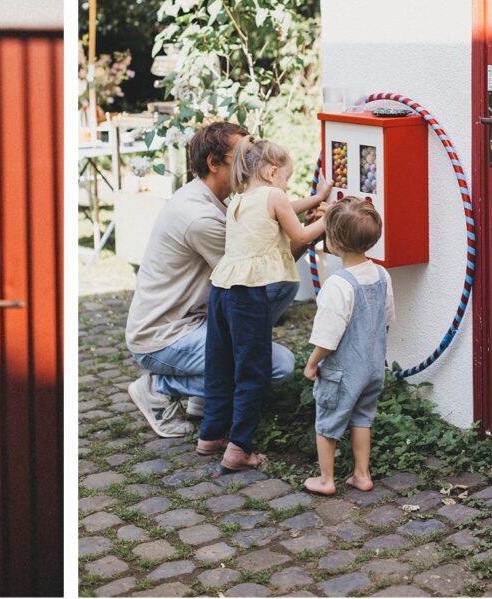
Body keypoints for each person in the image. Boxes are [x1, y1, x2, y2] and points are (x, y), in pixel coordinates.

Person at [126, 123, 314, 438]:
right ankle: (160, 387)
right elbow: (260, 273)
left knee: (273, 299)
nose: (251, 163)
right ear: (214, 164)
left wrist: (303, 220)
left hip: (198, 319)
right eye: (242, 156)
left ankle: (208, 394)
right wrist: (308, 233)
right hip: (163, 337)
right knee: (275, 365)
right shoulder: (200, 218)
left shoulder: (222, 197)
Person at [198, 137, 332, 470]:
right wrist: (332, 217)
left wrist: (316, 198)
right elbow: (300, 236)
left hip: (222, 288)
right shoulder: (274, 196)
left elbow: (286, 208)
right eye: (286, 180)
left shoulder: (240, 198)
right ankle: (239, 448)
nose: (286, 188)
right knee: (252, 368)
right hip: (247, 293)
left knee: (221, 363)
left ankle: (211, 435)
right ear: (273, 172)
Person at [302, 197, 394, 496]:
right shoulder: (382, 275)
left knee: (328, 419)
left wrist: (312, 363)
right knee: (362, 417)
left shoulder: (338, 284)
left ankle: (326, 479)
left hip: (341, 371)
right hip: (372, 367)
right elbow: (387, 319)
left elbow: (328, 337)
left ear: (334, 242)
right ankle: (362, 474)